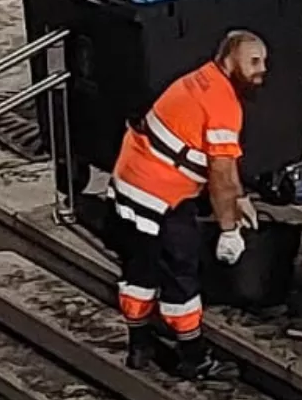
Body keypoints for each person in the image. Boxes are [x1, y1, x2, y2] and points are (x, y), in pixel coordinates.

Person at [107, 30, 268, 381]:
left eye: (264, 62)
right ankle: (193, 359)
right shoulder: (223, 104)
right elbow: (221, 175)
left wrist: (241, 198)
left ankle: (140, 346)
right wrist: (228, 231)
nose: (262, 70)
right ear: (229, 59)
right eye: (254, 61)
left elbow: (223, 168)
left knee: (139, 269)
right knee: (180, 273)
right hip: (163, 196)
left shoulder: (199, 80)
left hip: (130, 182)